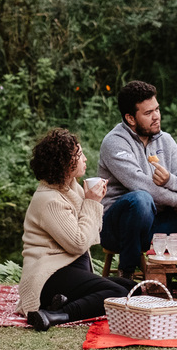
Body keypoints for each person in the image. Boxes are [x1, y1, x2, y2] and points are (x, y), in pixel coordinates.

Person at [98, 81, 177, 278]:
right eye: (148, 113)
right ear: (130, 118)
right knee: (140, 199)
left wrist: (169, 180)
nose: (156, 116)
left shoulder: (165, 140)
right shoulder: (114, 142)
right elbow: (142, 186)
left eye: (157, 109)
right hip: (119, 229)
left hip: (158, 222)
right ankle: (126, 276)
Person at [17, 128, 133, 331]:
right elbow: (78, 243)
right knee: (117, 293)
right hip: (48, 275)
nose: (85, 159)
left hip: (69, 269)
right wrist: (92, 203)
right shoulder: (49, 200)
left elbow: (89, 231)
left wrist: (93, 202)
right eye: (79, 155)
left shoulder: (72, 187)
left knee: (131, 289)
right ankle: (54, 314)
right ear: (63, 164)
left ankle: (61, 303)